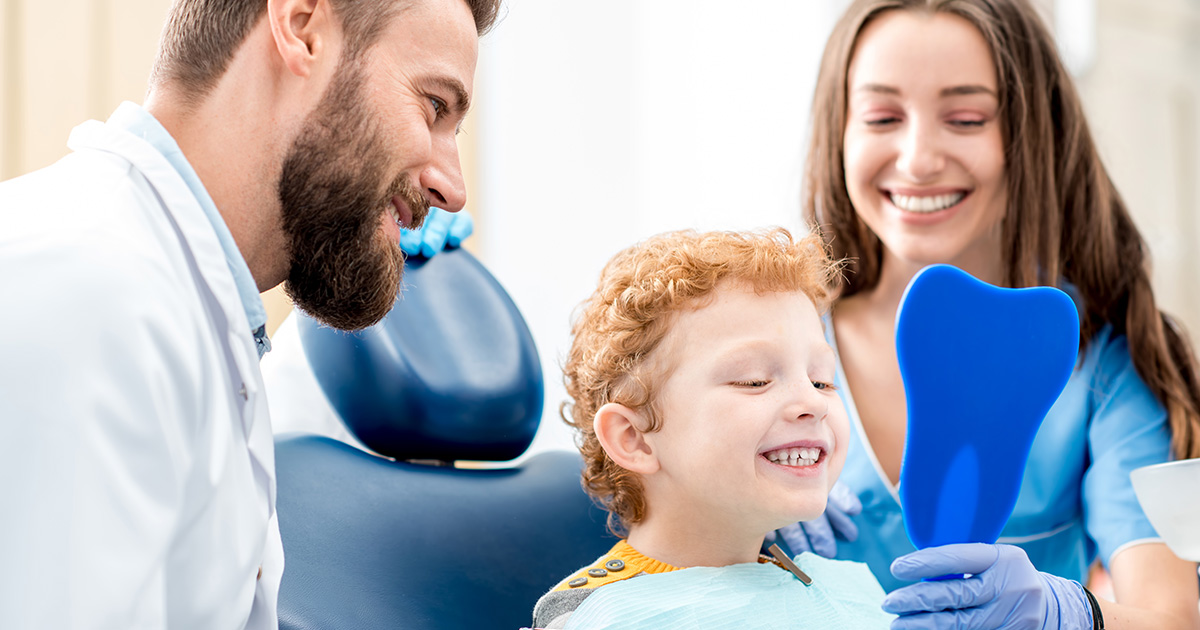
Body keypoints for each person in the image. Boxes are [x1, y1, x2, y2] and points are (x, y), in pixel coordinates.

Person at [0, 0, 500, 627]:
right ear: (301, 28)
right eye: (433, 106)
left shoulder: (180, 307)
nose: (453, 187)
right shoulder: (83, 299)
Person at [781, 0, 1200, 628]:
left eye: (967, 117)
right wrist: (727, 516)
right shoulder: (768, 336)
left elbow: (1170, 618)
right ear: (839, 130)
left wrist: (1066, 612)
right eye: (882, 116)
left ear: (1032, 135)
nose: (918, 158)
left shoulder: (1102, 365)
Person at [530, 229, 895, 629]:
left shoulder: (844, 591)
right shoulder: (601, 617)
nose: (812, 402)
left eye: (822, 381)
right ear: (633, 438)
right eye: (754, 380)